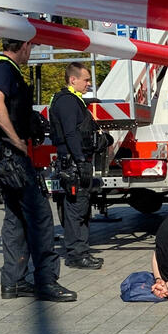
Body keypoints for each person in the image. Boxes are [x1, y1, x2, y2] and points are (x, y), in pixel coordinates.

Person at [0, 38, 75, 302]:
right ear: (23, 45)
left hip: (6, 157)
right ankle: (46, 281)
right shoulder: (4, 68)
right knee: (40, 218)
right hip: (13, 157)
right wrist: (14, 138)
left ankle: (13, 281)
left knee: (15, 219)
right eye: (31, 47)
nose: (31, 52)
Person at [49, 63, 108, 270]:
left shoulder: (75, 101)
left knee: (82, 209)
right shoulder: (66, 102)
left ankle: (81, 251)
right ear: (73, 80)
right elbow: (71, 133)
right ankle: (76, 255)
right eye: (86, 79)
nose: (89, 83)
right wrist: (81, 160)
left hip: (77, 162)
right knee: (75, 210)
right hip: (73, 164)